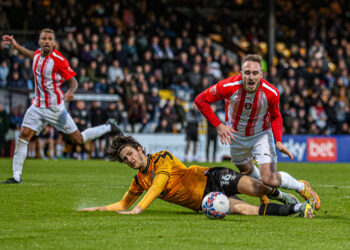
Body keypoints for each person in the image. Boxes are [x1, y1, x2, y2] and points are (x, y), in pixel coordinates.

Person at [194, 54, 321, 210]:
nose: (251, 77)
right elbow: (200, 100)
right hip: (237, 135)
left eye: (255, 73)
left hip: (261, 134)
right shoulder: (228, 86)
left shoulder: (271, 93)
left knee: (269, 179)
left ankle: (301, 186)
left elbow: (275, 116)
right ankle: (278, 196)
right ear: (241, 74)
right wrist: (219, 125)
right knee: (246, 171)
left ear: (262, 75)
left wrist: (278, 140)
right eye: (247, 72)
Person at [79, 135, 315, 218]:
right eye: (125, 159)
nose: (129, 160)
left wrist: (139, 209)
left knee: (258, 189)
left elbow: (158, 185)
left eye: (130, 154)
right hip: (206, 202)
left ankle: (284, 194)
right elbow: (122, 203)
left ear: (139, 149)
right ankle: (297, 210)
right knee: (246, 210)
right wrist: (94, 209)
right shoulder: (138, 181)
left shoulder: (162, 158)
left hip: (211, 178)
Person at [1, 29, 122, 184]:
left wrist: (71, 92)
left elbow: (74, 82)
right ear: (39, 41)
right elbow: (32, 55)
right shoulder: (37, 55)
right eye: (43, 38)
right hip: (37, 106)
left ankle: (108, 127)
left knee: (79, 139)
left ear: (54, 42)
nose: (46, 41)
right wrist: (16, 46)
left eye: (49, 39)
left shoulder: (59, 60)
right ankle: (16, 176)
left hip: (55, 109)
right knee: (23, 136)